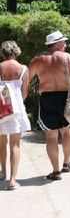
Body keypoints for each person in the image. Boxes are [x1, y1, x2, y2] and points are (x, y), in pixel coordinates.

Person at [28, 30, 70, 181]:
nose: (65, 44)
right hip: (65, 98)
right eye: (63, 42)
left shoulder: (37, 60)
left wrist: (23, 95)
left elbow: (26, 80)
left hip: (47, 99)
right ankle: (66, 164)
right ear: (56, 44)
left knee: (51, 136)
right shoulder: (67, 58)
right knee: (66, 132)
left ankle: (56, 172)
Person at [0, 41, 31, 190]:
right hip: (17, 109)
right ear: (16, 51)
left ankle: (3, 172)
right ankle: (12, 180)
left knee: (1, 143)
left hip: (1, 110)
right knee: (15, 144)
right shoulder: (23, 69)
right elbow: (25, 92)